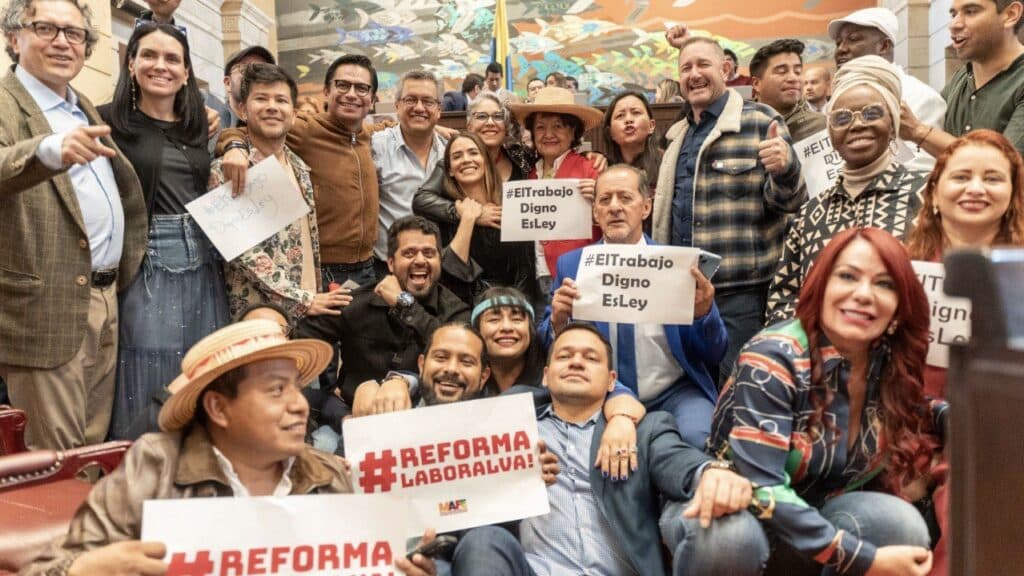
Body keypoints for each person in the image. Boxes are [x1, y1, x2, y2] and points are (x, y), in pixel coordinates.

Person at [20, 319, 438, 576]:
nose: (298, 404)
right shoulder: (154, 467)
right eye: (276, 390)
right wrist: (84, 570)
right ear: (218, 407)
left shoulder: (328, 475)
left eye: (297, 387)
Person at [708, 227, 946, 576]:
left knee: (902, 526)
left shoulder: (883, 357)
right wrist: (866, 560)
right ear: (820, 287)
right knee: (729, 539)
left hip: (821, 506)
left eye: (884, 284)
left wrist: (976, 421)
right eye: (848, 276)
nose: (864, 294)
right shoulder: (774, 356)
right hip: (742, 511)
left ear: (899, 307)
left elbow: (920, 407)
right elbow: (762, 486)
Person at [458, 322, 752, 576]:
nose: (576, 362)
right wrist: (508, 473)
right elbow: (458, 487)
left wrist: (710, 471)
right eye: (565, 356)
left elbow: (678, 460)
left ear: (612, 381)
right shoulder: (511, 429)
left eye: (590, 358)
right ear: (545, 376)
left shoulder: (644, 430)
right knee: (483, 541)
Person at [0, 0, 147, 450]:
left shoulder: (82, 106)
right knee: (56, 460)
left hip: (104, 297)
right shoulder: (6, 104)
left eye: (75, 33)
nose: (63, 41)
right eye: (46, 28)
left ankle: (86, 522)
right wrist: (47, 150)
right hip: (45, 306)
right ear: (14, 38)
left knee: (90, 447)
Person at [98, 22, 228, 441]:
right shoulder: (106, 122)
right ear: (131, 63)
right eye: (149, 56)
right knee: (148, 368)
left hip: (205, 264)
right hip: (146, 266)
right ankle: (145, 479)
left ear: (187, 72)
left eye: (173, 58)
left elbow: (233, 139)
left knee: (203, 368)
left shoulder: (201, 125)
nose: (161, 66)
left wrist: (236, 145)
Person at [540, 165, 728, 447]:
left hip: (675, 392)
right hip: (601, 394)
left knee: (697, 441)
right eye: (605, 200)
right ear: (595, 212)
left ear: (646, 207)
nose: (614, 207)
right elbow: (547, 343)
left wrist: (703, 314)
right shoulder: (572, 264)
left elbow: (714, 353)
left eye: (625, 198)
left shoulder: (679, 265)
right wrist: (558, 321)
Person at [653, 36, 806, 383]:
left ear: (725, 69)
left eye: (703, 65)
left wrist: (785, 168)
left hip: (741, 298)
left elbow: (792, 202)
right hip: (682, 294)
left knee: (739, 392)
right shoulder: (677, 135)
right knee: (695, 390)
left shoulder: (761, 121)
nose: (694, 74)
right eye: (686, 68)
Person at [766, 56, 927, 324]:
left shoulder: (927, 196)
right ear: (830, 132)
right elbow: (784, 295)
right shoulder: (811, 213)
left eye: (872, 113)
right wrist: (804, 348)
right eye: (842, 118)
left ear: (893, 124)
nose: (857, 124)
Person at [219, 54, 381, 290]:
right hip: (324, 270)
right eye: (342, 85)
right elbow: (250, 130)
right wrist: (233, 145)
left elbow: (397, 126)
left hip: (368, 268)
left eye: (361, 88)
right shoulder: (306, 129)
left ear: (372, 98)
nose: (352, 94)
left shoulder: (370, 135)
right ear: (326, 91)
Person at [211, 63, 352, 322]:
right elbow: (245, 254)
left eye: (281, 100)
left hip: (309, 309)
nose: (272, 107)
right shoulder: (227, 169)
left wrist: (311, 297)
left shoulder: (299, 167)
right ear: (243, 109)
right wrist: (301, 299)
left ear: (294, 113)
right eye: (261, 99)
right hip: (260, 316)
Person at [295, 216, 470, 417]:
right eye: (409, 253)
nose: (420, 260)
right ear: (391, 263)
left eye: (429, 253)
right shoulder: (356, 303)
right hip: (352, 416)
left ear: (440, 261)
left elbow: (454, 350)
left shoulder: (456, 310)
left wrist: (405, 304)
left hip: (428, 419)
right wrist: (340, 415)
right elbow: (296, 345)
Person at [907, 129, 1024, 398]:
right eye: (961, 177)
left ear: (1012, 194)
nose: (975, 189)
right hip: (908, 426)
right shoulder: (900, 268)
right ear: (933, 193)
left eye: (992, 178)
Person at [423, 132, 542, 306]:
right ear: (449, 170)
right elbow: (452, 273)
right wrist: (468, 219)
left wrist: (517, 304)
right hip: (467, 308)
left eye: (473, 153)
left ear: (485, 161)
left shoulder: (512, 202)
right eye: (457, 156)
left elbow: (526, 266)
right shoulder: (443, 214)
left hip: (516, 303)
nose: (466, 160)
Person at [508, 87, 604, 293]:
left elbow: (610, 223)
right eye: (540, 127)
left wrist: (601, 199)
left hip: (576, 277)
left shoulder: (591, 169)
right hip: (533, 281)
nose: (548, 134)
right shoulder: (530, 174)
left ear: (573, 132)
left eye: (558, 127)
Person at [900, 0, 1024, 157]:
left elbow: (1006, 164)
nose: (954, 24)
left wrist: (918, 131)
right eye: (953, 14)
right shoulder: (960, 80)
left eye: (971, 11)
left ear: (1010, 15)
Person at [829, 7, 945, 171]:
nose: (841, 49)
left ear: (884, 46)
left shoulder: (920, 96)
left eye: (853, 39)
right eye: (838, 42)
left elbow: (923, 169)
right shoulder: (837, 98)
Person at [372, 70, 449, 277]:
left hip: (438, 270)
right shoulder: (375, 146)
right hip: (387, 271)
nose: (419, 108)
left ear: (439, 109)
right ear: (396, 105)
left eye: (428, 101)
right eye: (410, 100)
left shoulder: (451, 152)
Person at [749, 38, 827, 143]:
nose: (793, 78)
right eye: (782, 71)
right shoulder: (740, 124)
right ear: (756, 84)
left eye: (798, 71)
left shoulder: (821, 126)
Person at [602, 90, 662, 191]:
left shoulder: (667, 162)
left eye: (636, 113)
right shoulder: (602, 167)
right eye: (620, 115)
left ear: (651, 126)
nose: (628, 120)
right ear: (610, 132)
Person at [206, 45, 276, 130]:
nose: (254, 74)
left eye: (262, 70)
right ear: (228, 83)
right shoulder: (211, 124)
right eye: (245, 68)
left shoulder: (278, 128)